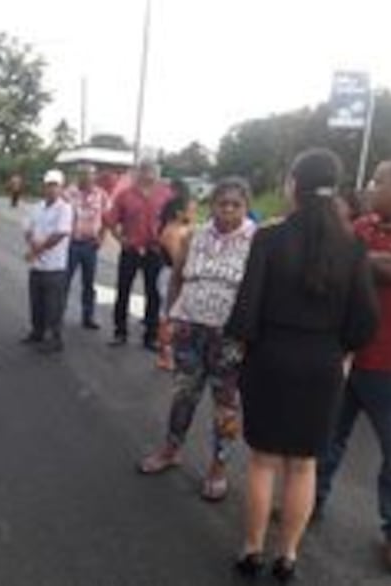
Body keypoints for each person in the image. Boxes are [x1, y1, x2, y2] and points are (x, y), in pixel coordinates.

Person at [226, 148, 379, 582]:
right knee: (304, 464)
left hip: (270, 358)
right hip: (324, 363)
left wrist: (248, 353)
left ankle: (251, 549)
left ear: (294, 183)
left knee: (263, 461)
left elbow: (244, 314)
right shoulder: (353, 246)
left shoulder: (269, 238)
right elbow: (365, 321)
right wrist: (339, 350)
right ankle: (288, 556)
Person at [139, 178, 256, 502]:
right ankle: (171, 449)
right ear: (212, 204)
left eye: (236, 204)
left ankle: (219, 466)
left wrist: (251, 335)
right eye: (222, 203)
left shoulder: (256, 241)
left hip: (229, 338)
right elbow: (177, 277)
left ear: (246, 207)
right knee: (183, 395)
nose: (228, 210)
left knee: (226, 407)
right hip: (190, 330)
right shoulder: (195, 236)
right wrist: (169, 318)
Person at [316, 159, 391, 575]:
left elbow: (382, 267)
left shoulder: (360, 238)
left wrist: (356, 260)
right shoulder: (362, 227)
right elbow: (333, 256)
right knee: (329, 438)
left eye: (378, 182)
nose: (369, 187)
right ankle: (310, 501)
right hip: (347, 357)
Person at [106, 159, 173, 349]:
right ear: (139, 173)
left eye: (153, 171)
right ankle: (120, 332)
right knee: (123, 290)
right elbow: (110, 220)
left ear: (158, 173)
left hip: (155, 251)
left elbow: (175, 220)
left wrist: (166, 240)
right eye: (145, 171)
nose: (149, 175)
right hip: (131, 250)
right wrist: (121, 239)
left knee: (154, 294)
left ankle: (150, 336)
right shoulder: (125, 195)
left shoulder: (166, 195)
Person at [22, 169, 74, 353]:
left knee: (54, 305)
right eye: (48, 185)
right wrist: (32, 244)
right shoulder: (36, 207)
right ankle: (37, 332)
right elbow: (27, 229)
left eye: (55, 185)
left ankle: (55, 339)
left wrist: (36, 250)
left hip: (55, 266)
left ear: (61, 188)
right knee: (36, 302)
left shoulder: (65, 209)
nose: (51, 189)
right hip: (37, 265)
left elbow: (59, 235)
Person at [155, 180, 197, 370]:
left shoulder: (183, 229)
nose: (193, 213)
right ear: (179, 213)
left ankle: (171, 352)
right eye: (190, 209)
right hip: (171, 275)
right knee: (167, 316)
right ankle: (164, 355)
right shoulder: (172, 231)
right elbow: (177, 259)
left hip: (178, 275)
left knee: (177, 316)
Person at [65, 163, 109, 330]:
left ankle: (88, 317)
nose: (87, 177)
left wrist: (102, 238)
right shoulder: (68, 193)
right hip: (71, 244)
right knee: (64, 281)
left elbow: (107, 218)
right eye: (83, 174)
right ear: (78, 176)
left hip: (90, 245)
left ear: (95, 176)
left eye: (90, 174)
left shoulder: (102, 195)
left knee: (89, 284)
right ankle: (57, 314)